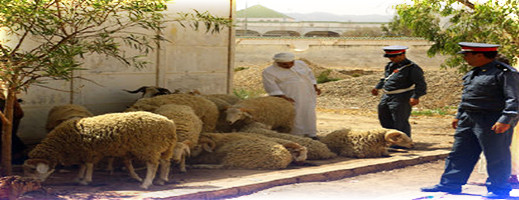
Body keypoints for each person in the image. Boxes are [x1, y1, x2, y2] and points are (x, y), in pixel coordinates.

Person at [421, 42, 519, 199]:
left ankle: (499, 189)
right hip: (468, 118)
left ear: (480, 55)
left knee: (497, 155)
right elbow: (467, 96)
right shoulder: (474, 73)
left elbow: (514, 99)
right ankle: (451, 184)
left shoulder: (505, 73)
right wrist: (459, 115)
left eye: (467, 54)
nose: (465, 58)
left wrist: (506, 119)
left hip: (492, 120)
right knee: (459, 153)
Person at [371, 45, 427, 142]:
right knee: (384, 117)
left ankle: (404, 142)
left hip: (402, 97)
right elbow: (386, 79)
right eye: (389, 57)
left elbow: (421, 84)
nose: (391, 59)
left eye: (393, 57)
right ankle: (391, 140)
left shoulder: (412, 68)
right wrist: (377, 87)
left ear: (402, 55)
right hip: (387, 95)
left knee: (400, 121)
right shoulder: (390, 66)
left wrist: (416, 96)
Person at [262, 52, 321, 140]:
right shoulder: (269, 71)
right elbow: (271, 86)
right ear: (277, 63)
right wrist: (282, 97)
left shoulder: (301, 64)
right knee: (295, 114)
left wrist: (315, 86)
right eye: (285, 64)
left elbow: (310, 75)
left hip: (307, 93)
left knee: (309, 112)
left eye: (291, 63)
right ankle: (296, 135)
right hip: (289, 95)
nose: (289, 65)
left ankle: (311, 133)